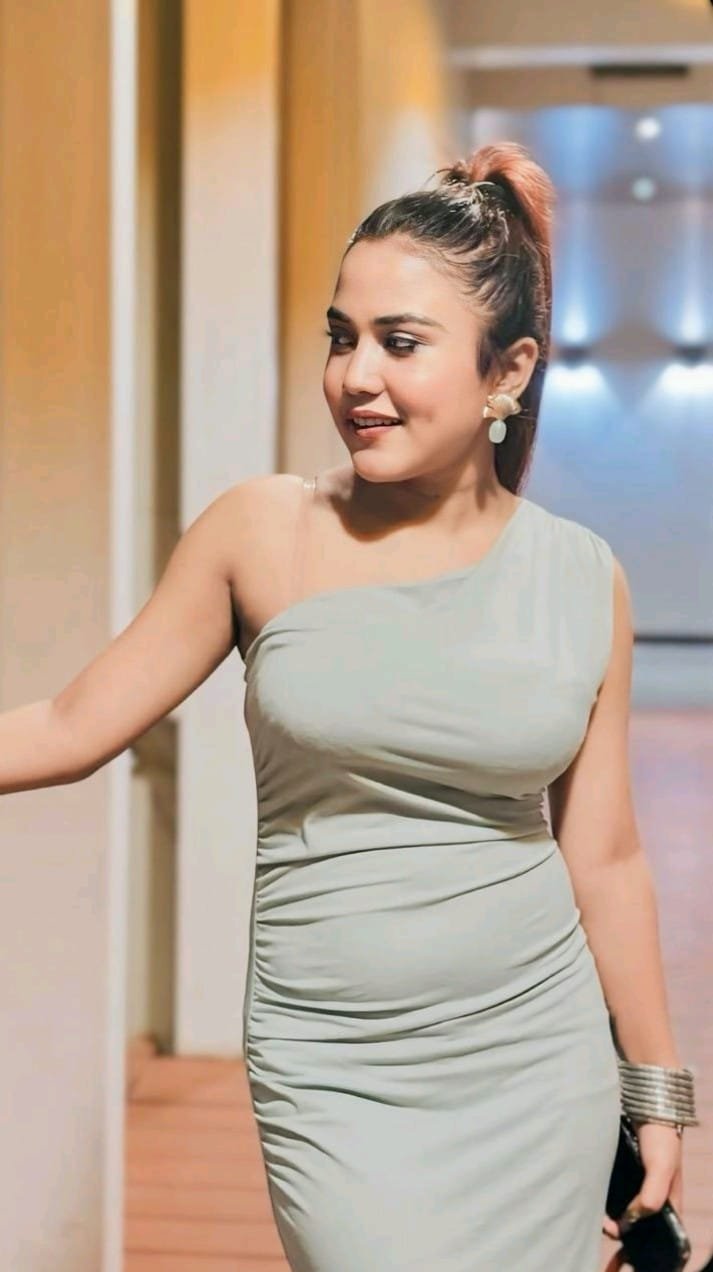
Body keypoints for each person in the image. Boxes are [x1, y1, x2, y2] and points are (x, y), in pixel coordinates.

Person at [1, 140, 697, 1271]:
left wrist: (653, 1090)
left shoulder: (581, 577)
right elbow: (72, 727)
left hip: (534, 1056)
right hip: (330, 1065)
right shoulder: (261, 532)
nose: (354, 376)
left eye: (399, 342)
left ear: (508, 370)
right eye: (341, 337)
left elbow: (605, 856)